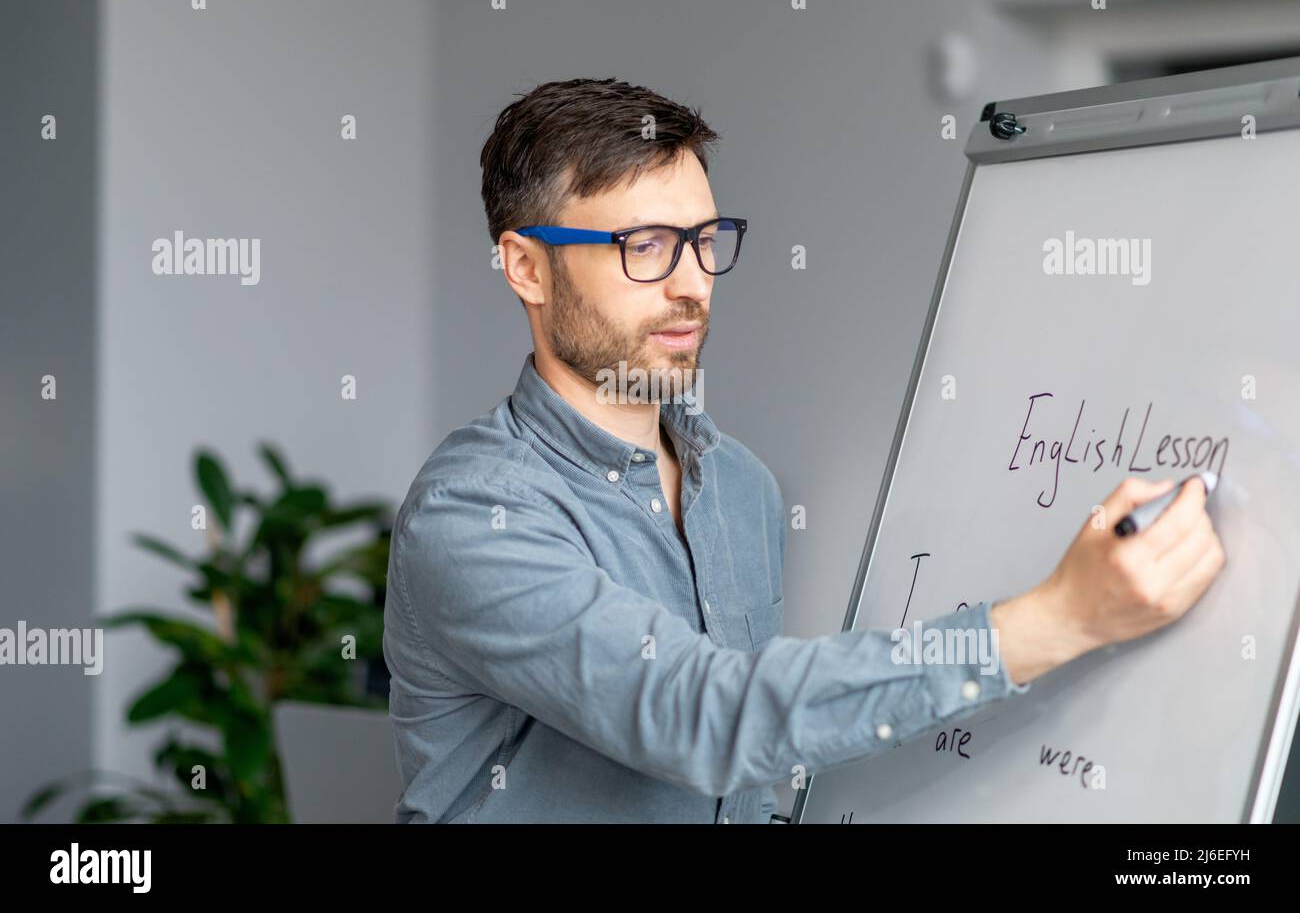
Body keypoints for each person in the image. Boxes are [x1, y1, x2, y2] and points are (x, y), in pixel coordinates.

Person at [382, 77, 1226, 823]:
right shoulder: (473, 514)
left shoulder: (741, 488)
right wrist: (1058, 618)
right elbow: (700, 720)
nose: (693, 284)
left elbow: (740, 777)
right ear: (526, 267)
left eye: (705, 240)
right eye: (644, 248)